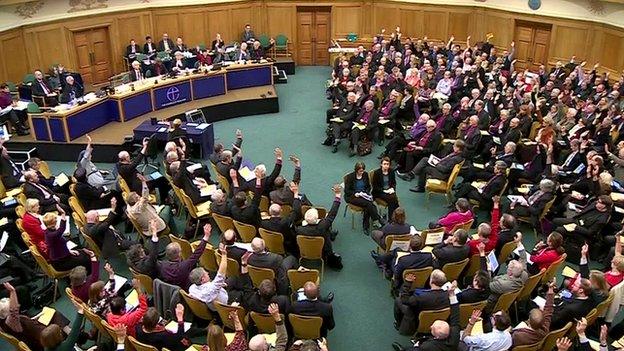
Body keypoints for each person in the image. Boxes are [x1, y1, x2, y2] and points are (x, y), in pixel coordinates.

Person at [0, 282, 71, 351]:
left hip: (36, 330)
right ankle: (70, 337)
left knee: (54, 313)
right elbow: (13, 311)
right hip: (42, 340)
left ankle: (70, 333)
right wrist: (12, 291)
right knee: (56, 322)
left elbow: (18, 315)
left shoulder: (8, 322)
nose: (16, 304)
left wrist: (35, 318)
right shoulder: (10, 323)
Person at [295, 185, 344, 269]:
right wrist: (338, 195)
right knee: (327, 230)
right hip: (324, 251)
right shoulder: (323, 226)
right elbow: (332, 213)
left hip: (305, 251)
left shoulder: (299, 230)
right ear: (317, 218)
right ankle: (331, 235)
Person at [394, 269, 450, 335]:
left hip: (417, 317)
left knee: (398, 300)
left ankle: (398, 324)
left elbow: (404, 300)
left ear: (431, 281)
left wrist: (407, 283)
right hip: (437, 318)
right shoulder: (449, 295)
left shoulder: (421, 297)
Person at [158, 223, 210, 289]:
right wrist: (206, 237)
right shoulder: (184, 266)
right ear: (179, 254)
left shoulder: (162, 265)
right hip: (186, 289)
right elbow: (196, 254)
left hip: (173, 292)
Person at [511, 280, 555, 347]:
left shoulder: (518, 335)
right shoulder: (545, 328)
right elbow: (549, 309)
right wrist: (551, 289)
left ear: (529, 320)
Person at [344, 162, 384, 235]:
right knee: (369, 204)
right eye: (360, 171)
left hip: (363, 195)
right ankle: (378, 219)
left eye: (363, 170)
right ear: (356, 170)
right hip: (352, 196)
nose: (362, 172)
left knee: (367, 207)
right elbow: (346, 190)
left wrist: (366, 192)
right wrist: (355, 194)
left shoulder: (365, 174)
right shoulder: (350, 177)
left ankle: (366, 226)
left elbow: (368, 186)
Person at [188, 243, 229, 310]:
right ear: (203, 279)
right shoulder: (211, 288)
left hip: (212, 306)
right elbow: (221, 273)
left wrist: (220, 285)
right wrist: (224, 255)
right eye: (205, 273)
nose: (207, 273)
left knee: (231, 281)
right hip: (225, 306)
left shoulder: (192, 289)